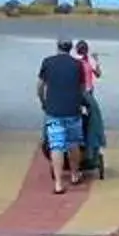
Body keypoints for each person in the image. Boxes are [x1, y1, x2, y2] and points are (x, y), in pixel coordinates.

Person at [37, 36, 88, 194]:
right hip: (73, 110)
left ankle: (58, 184)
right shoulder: (77, 65)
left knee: (56, 145)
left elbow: (40, 86)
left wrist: (43, 101)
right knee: (73, 143)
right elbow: (82, 87)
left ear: (57, 47)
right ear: (70, 48)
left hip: (54, 111)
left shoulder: (47, 62)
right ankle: (74, 175)